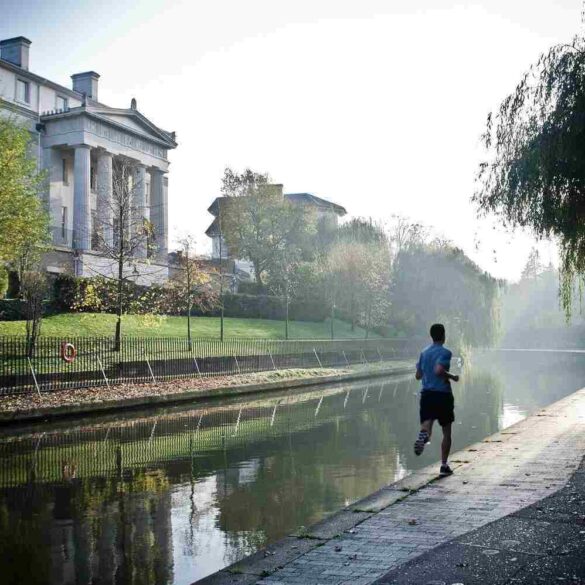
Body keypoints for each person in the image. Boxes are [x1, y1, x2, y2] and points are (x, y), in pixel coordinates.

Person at [414, 323, 459, 476]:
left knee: (427, 426)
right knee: (447, 432)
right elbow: (439, 370)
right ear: (443, 336)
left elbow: (418, 375)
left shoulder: (424, 352)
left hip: (427, 394)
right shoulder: (446, 352)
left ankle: (423, 436)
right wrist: (452, 376)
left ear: (431, 336)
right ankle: (444, 466)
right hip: (442, 395)